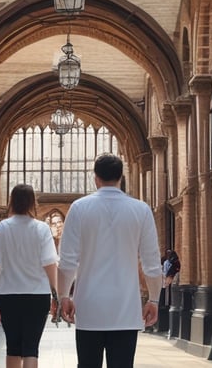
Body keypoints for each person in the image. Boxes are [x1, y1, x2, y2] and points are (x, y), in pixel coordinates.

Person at [57, 153, 162, 368]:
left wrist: (63, 295)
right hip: (125, 308)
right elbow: (151, 262)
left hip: (88, 307)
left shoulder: (78, 208)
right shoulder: (141, 209)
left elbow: (67, 260)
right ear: (121, 177)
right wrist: (154, 299)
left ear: (95, 178)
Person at [0, 184, 58, 368]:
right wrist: (56, 295)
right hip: (37, 297)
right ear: (33, 203)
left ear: (11, 202)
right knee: (31, 348)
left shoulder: (1, 228)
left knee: (13, 348)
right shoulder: (41, 229)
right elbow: (50, 265)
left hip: (9, 296)